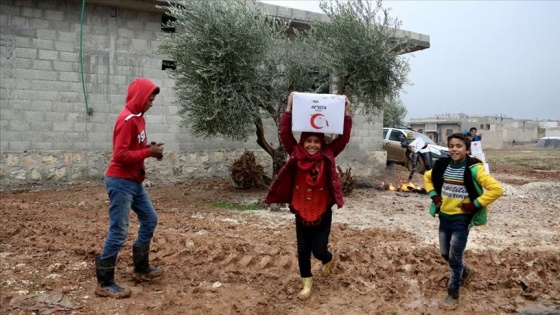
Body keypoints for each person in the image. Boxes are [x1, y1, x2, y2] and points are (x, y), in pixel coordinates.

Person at [265, 92, 352, 300]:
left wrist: (346, 113)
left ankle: (328, 259)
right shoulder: (295, 154)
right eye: (308, 141)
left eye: (316, 141)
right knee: (303, 250)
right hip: (300, 210)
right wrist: (288, 108)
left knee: (319, 249)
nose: (312, 145)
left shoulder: (328, 156)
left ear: (322, 143)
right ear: (302, 142)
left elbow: (344, 138)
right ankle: (306, 284)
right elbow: (286, 133)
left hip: (322, 210)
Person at [95, 78, 165, 298]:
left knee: (150, 219)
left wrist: (148, 148)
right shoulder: (126, 120)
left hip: (134, 181)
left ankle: (141, 268)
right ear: (140, 98)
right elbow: (120, 155)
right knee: (118, 231)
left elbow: (134, 148)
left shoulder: (139, 119)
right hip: (120, 182)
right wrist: (148, 153)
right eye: (149, 100)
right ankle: (104, 283)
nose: (151, 104)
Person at [424, 133, 503, 308]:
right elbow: (427, 177)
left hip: (461, 221)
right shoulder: (442, 165)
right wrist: (434, 194)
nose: (454, 149)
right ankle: (464, 271)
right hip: (444, 217)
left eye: (459, 146)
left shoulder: (474, 168)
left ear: (467, 149)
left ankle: (453, 293)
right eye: (451, 146)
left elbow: (496, 189)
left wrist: (475, 204)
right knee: (445, 253)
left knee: (454, 256)